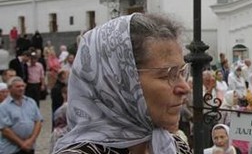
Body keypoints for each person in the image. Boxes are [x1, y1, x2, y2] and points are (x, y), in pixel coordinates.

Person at [53, 14, 192, 154]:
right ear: (118, 83)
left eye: (182, 72)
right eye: (167, 75)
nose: (185, 88)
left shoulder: (174, 147)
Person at [0, 76, 43, 154]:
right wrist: (22, 143)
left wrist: (31, 140)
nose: (21, 88)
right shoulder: (4, 106)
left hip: (30, 146)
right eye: (17, 86)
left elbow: (38, 122)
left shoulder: (31, 102)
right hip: (11, 149)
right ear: (10, 89)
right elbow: (5, 130)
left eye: (22, 86)